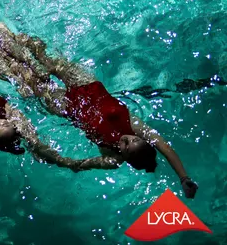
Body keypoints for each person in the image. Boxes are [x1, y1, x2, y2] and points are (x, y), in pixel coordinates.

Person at [14, 35, 199, 198]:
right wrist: (184, 178)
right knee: (47, 61)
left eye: (126, 146)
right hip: (88, 86)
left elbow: (77, 164)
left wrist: (48, 155)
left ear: (125, 156)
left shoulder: (113, 159)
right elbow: (165, 147)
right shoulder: (135, 126)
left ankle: (9, 55)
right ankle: (17, 37)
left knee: (33, 81)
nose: (126, 139)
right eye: (133, 139)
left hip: (70, 109)